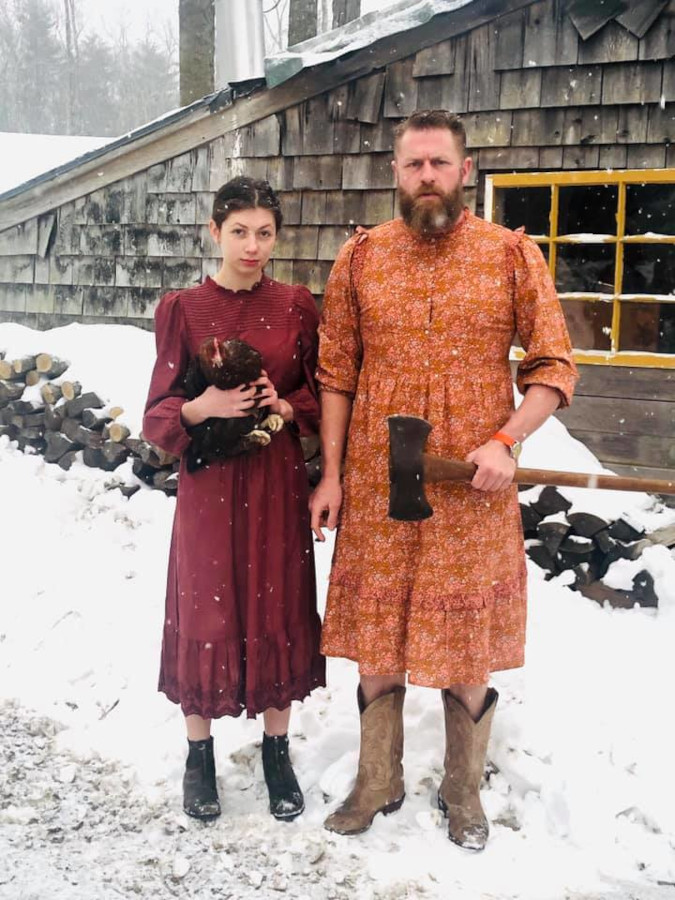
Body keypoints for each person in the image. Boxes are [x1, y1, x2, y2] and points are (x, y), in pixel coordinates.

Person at [310, 110, 578, 850]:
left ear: (465, 171)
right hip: (375, 480)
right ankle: (376, 781)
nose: (424, 176)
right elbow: (335, 376)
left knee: (465, 647)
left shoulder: (509, 256)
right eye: (411, 165)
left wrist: (505, 441)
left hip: (471, 488)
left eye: (437, 163)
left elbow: (553, 367)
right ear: (395, 175)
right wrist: (330, 475)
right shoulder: (360, 260)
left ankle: (463, 793)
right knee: (376, 641)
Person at [143, 176, 325, 822]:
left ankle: (277, 750)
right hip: (209, 486)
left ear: (277, 235)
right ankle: (199, 758)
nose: (252, 246)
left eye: (265, 233)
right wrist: (202, 405)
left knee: (276, 599)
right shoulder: (184, 311)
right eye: (239, 232)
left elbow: (318, 396)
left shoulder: (297, 306)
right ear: (213, 232)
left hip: (273, 478)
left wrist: (285, 403)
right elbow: (157, 413)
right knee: (206, 606)